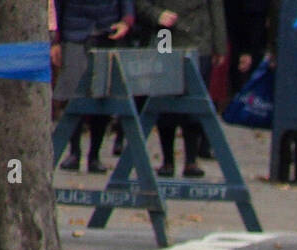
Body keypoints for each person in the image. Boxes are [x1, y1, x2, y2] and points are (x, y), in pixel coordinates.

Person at [136, 1, 227, 177]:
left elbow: (216, 8)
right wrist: (157, 14)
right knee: (163, 101)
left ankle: (191, 160)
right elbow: (140, 3)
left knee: (195, 103)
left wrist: (219, 45)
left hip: (199, 40)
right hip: (165, 37)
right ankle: (168, 161)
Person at [52, 0, 136, 173]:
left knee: (103, 96)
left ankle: (94, 156)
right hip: (74, 35)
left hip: (107, 32)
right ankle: (74, 152)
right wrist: (54, 41)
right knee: (72, 95)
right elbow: (55, 7)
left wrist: (126, 21)